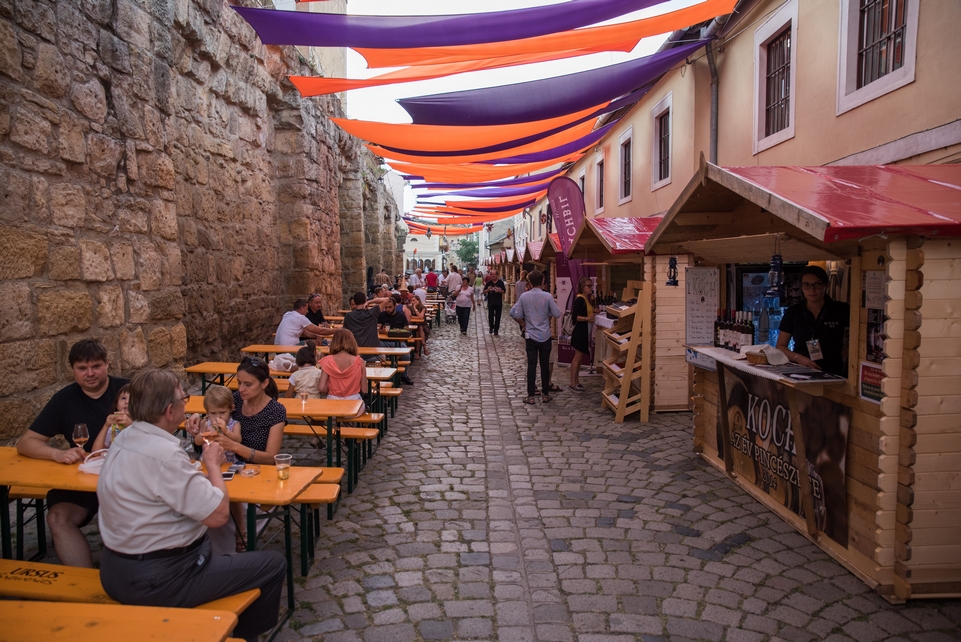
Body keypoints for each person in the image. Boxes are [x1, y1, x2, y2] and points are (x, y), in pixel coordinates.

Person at [98, 369, 286, 642]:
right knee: (272, 564)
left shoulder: (125, 438)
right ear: (169, 411)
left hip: (114, 568)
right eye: (183, 400)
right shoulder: (164, 454)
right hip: (161, 579)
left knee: (212, 543)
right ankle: (243, 637)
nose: (186, 406)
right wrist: (212, 465)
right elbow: (218, 515)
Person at [16, 339, 129, 567]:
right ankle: (83, 581)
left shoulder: (130, 390)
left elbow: (164, 424)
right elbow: (26, 443)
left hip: (127, 478)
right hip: (83, 480)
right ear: (72, 370)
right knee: (58, 518)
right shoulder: (64, 399)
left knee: (126, 519)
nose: (90, 373)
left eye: (96, 366)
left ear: (107, 364)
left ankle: (127, 576)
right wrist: (56, 454)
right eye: (82, 368)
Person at [189, 357, 287, 466]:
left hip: (258, 469)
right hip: (225, 466)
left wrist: (234, 446)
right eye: (239, 383)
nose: (241, 389)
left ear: (264, 383)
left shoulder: (276, 411)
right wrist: (197, 416)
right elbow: (214, 410)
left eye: (248, 384)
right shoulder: (236, 399)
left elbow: (270, 458)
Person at [188, 384, 247, 553]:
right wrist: (203, 434)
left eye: (222, 412)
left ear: (231, 409)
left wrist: (225, 431)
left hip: (228, 464)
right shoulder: (206, 423)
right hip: (207, 465)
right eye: (213, 413)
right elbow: (197, 441)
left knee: (234, 498)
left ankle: (240, 530)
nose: (217, 417)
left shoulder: (234, 424)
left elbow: (238, 440)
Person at [777, 265, 850, 377]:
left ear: (826, 285)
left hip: (833, 372)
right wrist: (799, 358)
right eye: (807, 285)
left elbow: (859, 336)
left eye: (817, 284)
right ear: (801, 287)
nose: (812, 289)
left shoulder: (840, 309)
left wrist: (842, 354)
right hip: (800, 372)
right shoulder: (794, 312)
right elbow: (781, 346)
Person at [510, 270, 562, 404]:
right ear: (542, 281)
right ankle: (545, 394)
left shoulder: (524, 297)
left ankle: (531, 396)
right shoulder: (547, 296)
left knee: (531, 365)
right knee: (545, 365)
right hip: (545, 335)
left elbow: (515, 314)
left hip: (530, 335)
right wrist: (547, 314)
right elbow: (557, 313)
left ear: (530, 282)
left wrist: (524, 324)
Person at [319, 329, 368, 418]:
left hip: (332, 405)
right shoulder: (360, 362)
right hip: (354, 405)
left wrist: (331, 389)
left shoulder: (327, 360)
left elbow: (322, 388)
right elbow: (364, 389)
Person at [569, 277, 596, 391]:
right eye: (588, 286)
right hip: (580, 331)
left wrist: (593, 312)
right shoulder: (580, 299)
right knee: (578, 357)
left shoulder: (585, 299)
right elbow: (575, 317)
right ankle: (572, 382)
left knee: (580, 358)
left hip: (584, 331)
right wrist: (586, 318)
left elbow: (586, 312)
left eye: (591, 285)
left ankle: (576, 381)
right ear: (582, 287)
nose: (591, 288)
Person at [90, 383, 132, 451]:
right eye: (123, 398)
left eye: (133, 398)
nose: (127, 402)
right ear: (117, 405)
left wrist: (130, 426)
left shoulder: (145, 424)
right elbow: (96, 452)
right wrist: (106, 426)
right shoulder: (114, 427)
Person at [484, 269, 507, 336]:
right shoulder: (489, 283)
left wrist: (499, 291)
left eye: (494, 274)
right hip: (491, 302)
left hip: (498, 302)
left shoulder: (500, 282)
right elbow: (484, 291)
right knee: (490, 316)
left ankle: (496, 329)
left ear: (497, 275)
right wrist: (488, 290)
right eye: (492, 274)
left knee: (498, 316)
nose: (493, 276)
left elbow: (504, 291)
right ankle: (491, 327)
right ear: (490, 275)